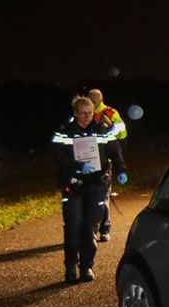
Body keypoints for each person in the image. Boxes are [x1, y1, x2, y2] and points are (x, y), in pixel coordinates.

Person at [53, 96, 127, 283]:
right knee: (73, 225)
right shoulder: (64, 132)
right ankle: (70, 266)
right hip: (74, 184)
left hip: (96, 184)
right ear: (76, 113)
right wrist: (76, 166)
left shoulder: (102, 130)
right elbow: (56, 154)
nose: (87, 117)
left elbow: (114, 150)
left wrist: (121, 169)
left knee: (89, 226)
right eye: (83, 113)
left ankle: (86, 266)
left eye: (90, 113)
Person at [88, 88, 126, 242]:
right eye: (91, 98)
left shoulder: (110, 112)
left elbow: (122, 132)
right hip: (88, 162)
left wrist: (110, 125)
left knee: (102, 198)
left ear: (101, 98)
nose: (93, 100)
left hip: (105, 160)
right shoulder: (83, 112)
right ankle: (91, 229)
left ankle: (104, 228)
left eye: (95, 97)